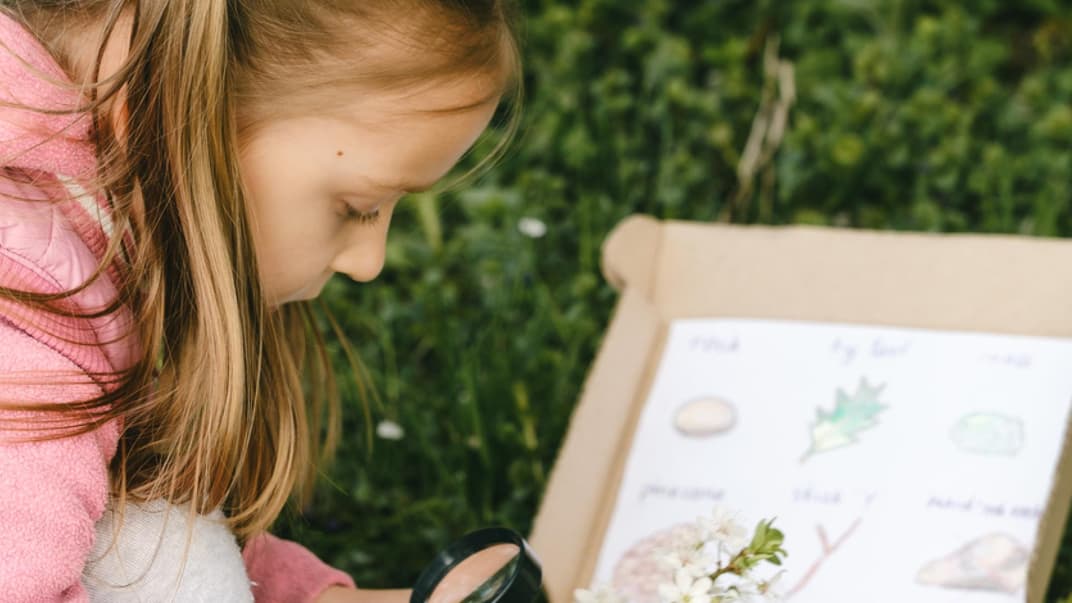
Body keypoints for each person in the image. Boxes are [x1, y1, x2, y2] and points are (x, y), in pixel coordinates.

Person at [0, 0, 520, 601]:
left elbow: (148, 523)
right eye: (358, 207)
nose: (368, 262)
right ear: (173, 102)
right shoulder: (25, 355)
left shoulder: (79, 237)